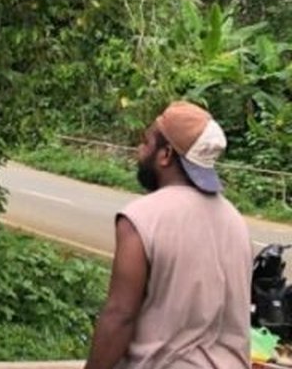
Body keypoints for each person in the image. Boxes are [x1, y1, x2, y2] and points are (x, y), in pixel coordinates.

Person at [83, 101, 251, 369]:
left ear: (165, 155)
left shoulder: (141, 218)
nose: (140, 150)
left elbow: (120, 316)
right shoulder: (236, 221)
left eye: (147, 142)